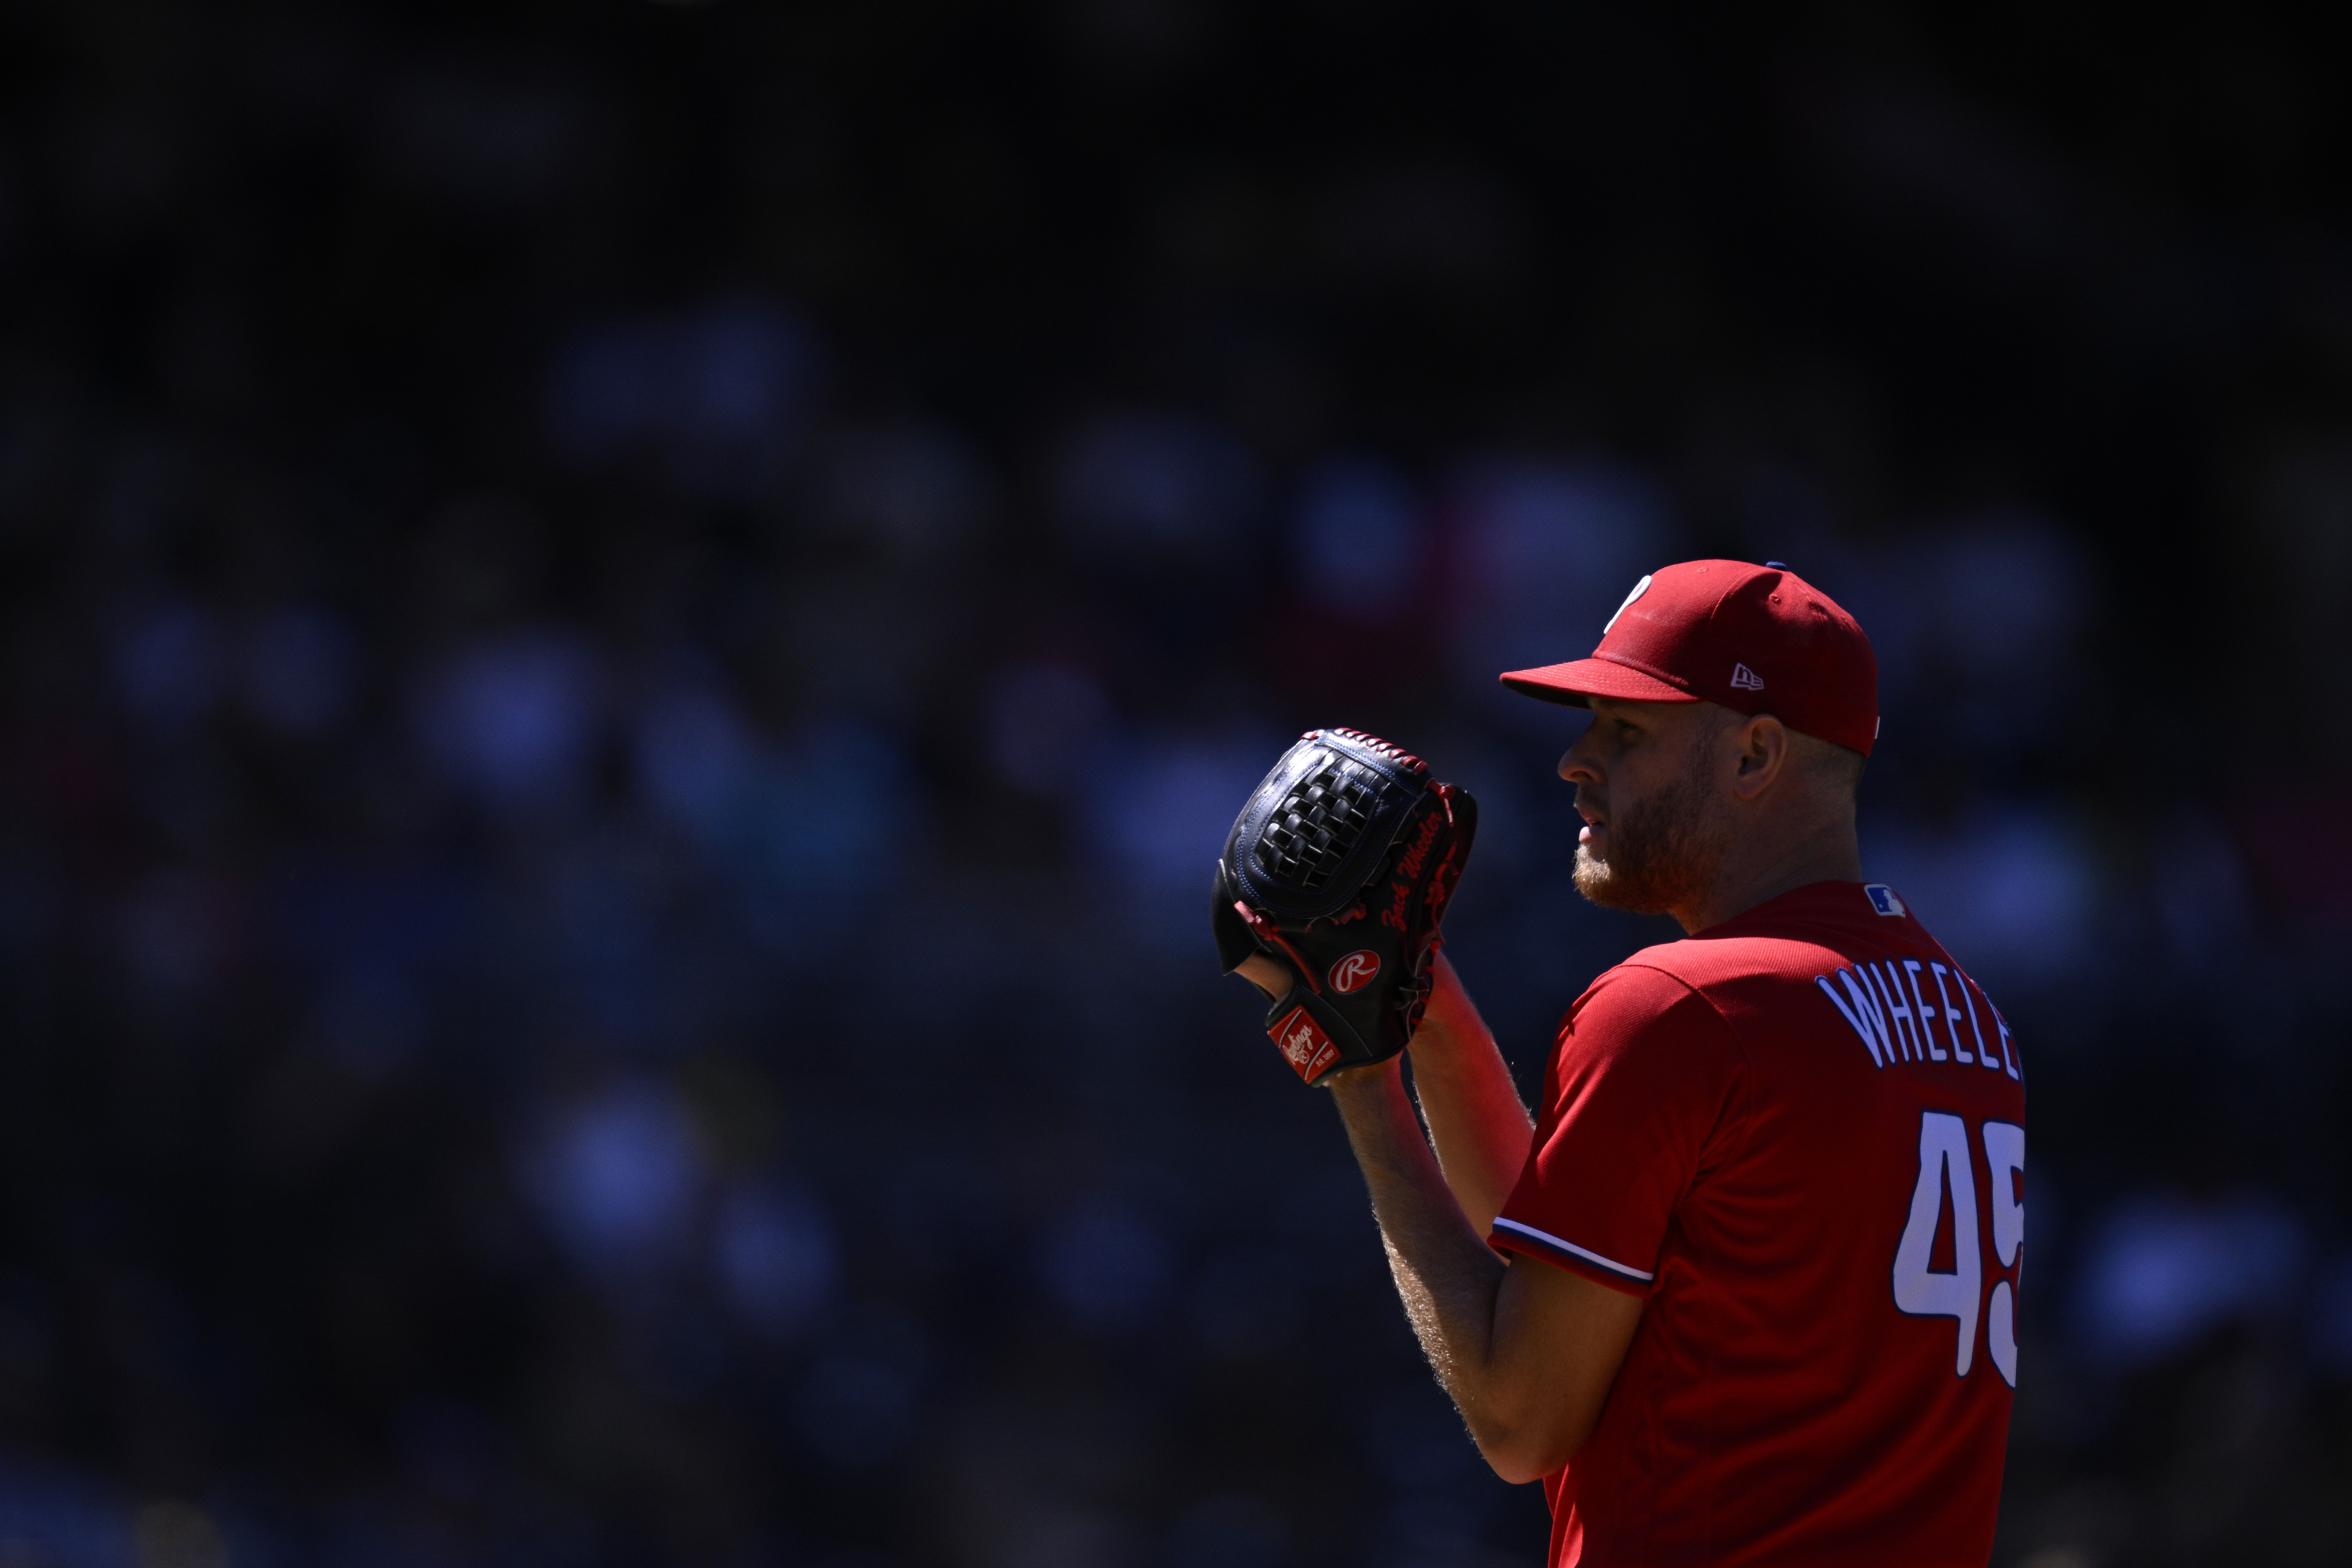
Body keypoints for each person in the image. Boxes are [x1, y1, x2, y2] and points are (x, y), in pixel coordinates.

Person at [1232, 560, 2025, 1566]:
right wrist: (1419, 1009)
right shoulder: (1967, 1019)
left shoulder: (1685, 1006)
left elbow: (1523, 1416)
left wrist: (1361, 1077)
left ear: (1754, 753)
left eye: (1627, 729)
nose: (1573, 759)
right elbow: (1568, 1263)